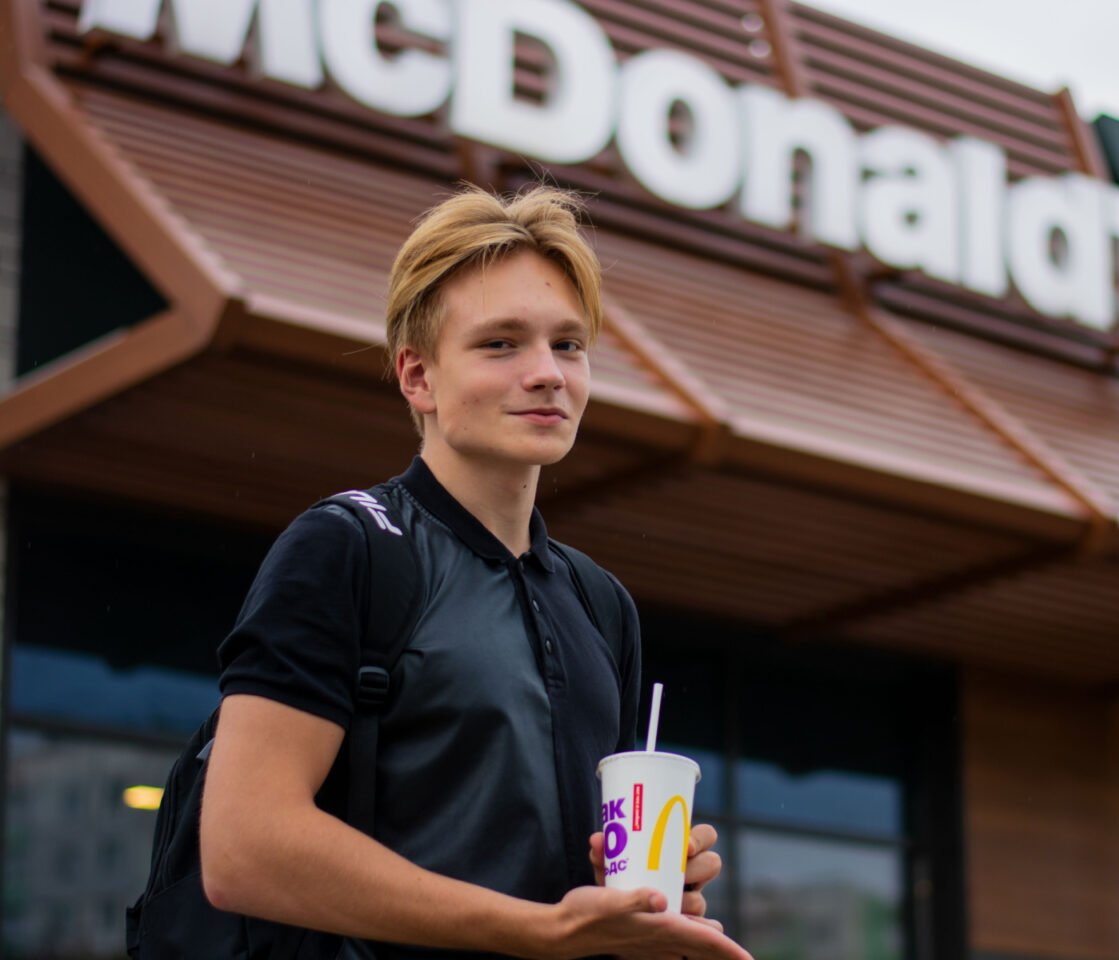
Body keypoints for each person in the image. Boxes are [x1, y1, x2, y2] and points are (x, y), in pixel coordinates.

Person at [199, 185, 753, 960]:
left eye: (568, 344)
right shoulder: (347, 546)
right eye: (501, 344)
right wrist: (545, 931)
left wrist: (639, 902)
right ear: (417, 377)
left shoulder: (601, 603)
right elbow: (242, 849)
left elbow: (575, 882)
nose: (548, 373)